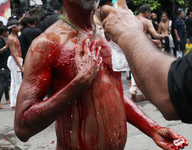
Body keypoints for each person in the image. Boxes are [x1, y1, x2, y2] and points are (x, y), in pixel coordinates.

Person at [14, 0, 188, 149]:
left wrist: (152, 129)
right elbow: (22, 127)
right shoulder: (47, 44)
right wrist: (77, 85)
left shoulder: (107, 34)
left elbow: (112, 92)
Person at [101, 0, 192, 123]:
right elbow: (171, 92)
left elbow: (176, 91)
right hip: (142, 51)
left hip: (138, 52)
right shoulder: (145, 21)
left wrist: (129, 35)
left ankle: (134, 88)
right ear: (147, 12)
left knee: (134, 73)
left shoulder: (132, 20)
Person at [7, 19, 23, 110]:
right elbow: (13, 54)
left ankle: (14, 104)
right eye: (18, 26)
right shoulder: (11, 38)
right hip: (15, 60)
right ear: (13, 28)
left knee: (14, 82)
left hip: (16, 60)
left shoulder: (13, 36)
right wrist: (21, 66)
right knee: (18, 82)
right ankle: (17, 103)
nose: (19, 27)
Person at [0, 25, 10, 109]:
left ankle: (7, 99)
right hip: (1, 65)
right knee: (4, 83)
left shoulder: (2, 40)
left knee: (6, 81)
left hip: (3, 64)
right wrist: (5, 47)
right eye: (7, 31)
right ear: (4, 32)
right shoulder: (0, 41)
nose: (8, 32)